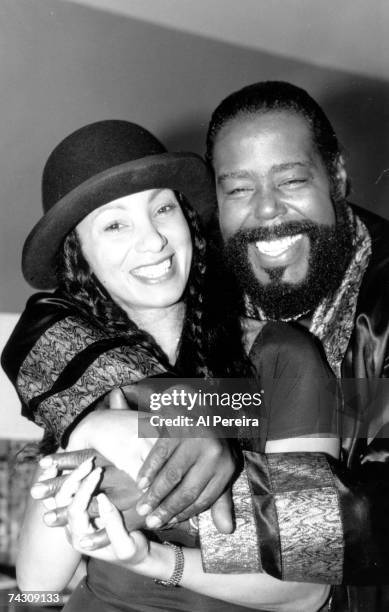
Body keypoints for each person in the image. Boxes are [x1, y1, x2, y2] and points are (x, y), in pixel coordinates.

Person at [2, 119, 338, 611]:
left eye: (162, 208)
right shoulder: (78, 366)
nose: (154, 240)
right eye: (115, 224)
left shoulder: (283, 357)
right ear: (81, 255)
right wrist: (88, 429)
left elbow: (308, 592)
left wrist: (151, 561)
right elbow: (38, 585)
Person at [203, 80, 389, 610]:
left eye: (290, 180)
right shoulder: (201, 284)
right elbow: (56, 319)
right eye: (238, 189)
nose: (265, 209)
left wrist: (192, 496)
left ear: (338, 176)